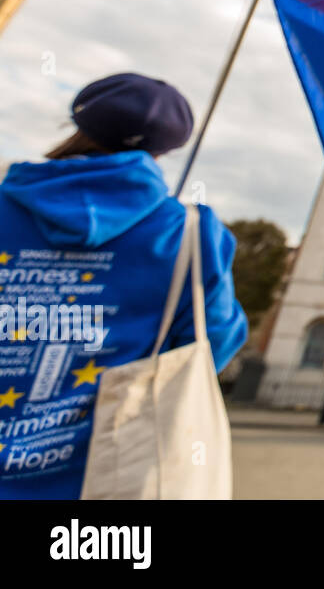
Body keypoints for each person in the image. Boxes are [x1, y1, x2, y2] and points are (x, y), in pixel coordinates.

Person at [0, 73, 247, 498]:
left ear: (80, 124)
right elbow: (213, 346)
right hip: (102, 481)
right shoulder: (190, 233)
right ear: (166, 148)